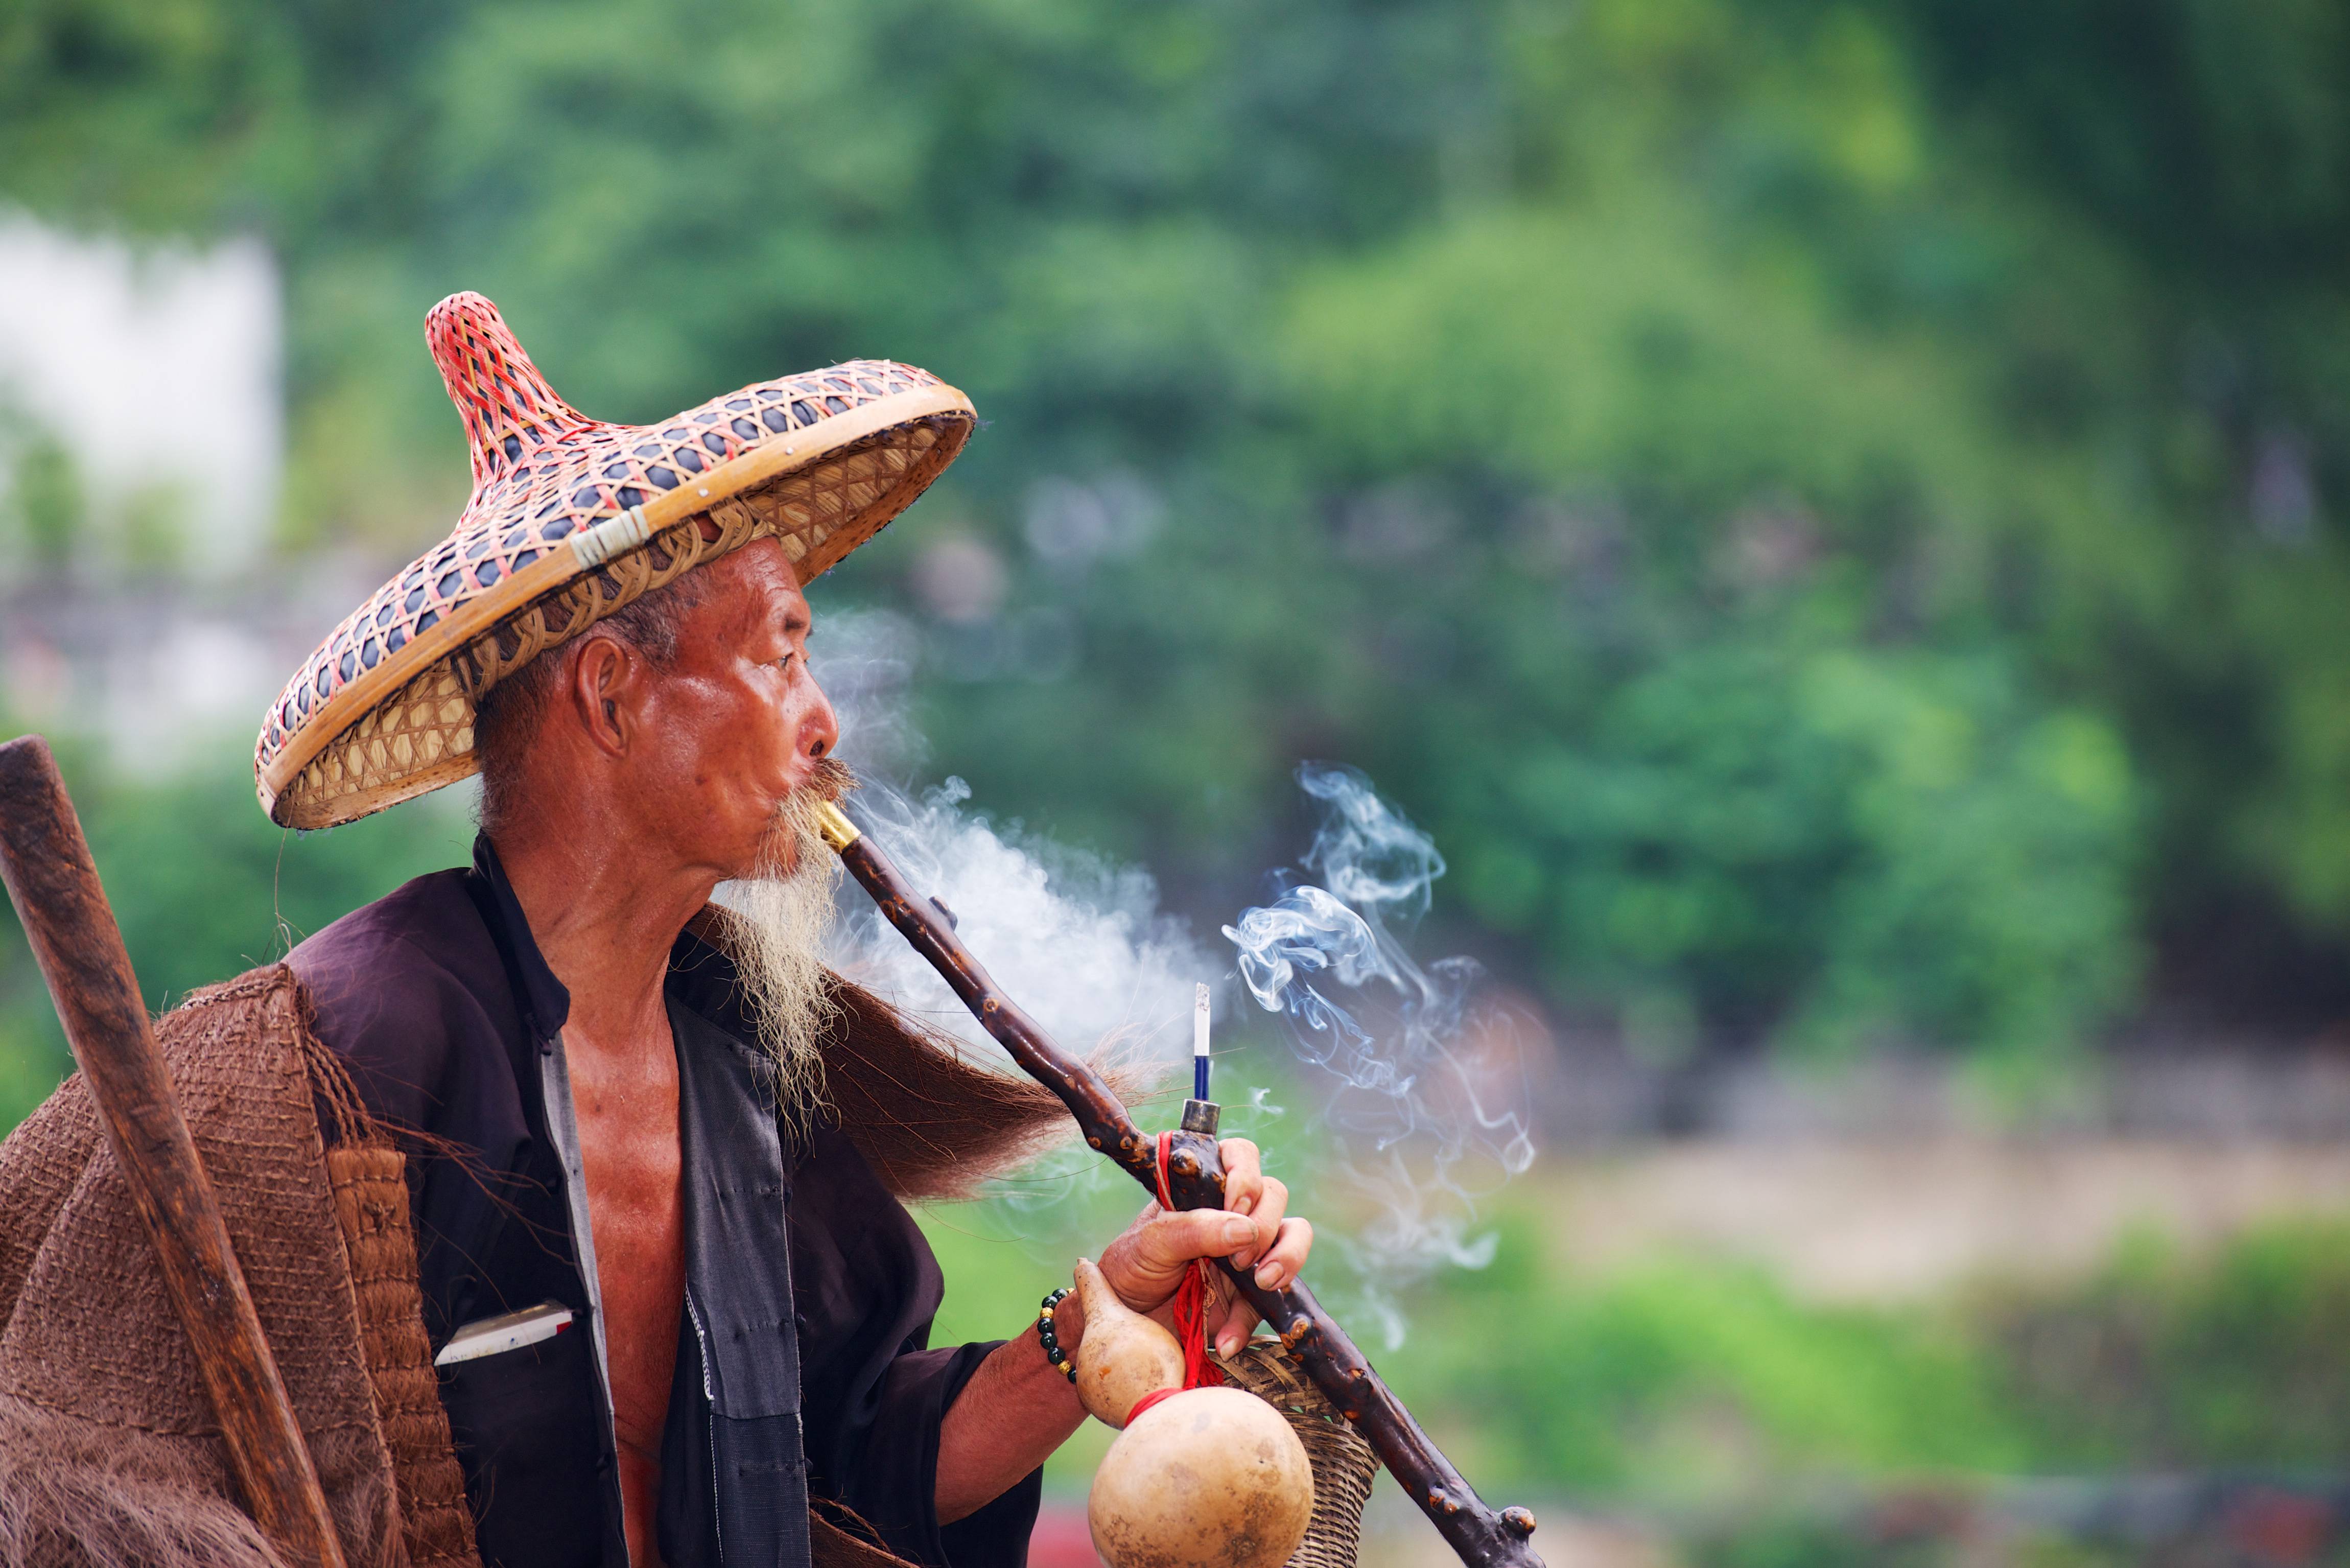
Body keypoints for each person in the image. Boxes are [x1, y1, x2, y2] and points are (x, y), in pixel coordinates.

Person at [253, 294, 1314, 1568]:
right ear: (610, 693)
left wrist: (1108, 1308)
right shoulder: (357, 1045)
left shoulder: (737, 1045)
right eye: (778, 654)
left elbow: (863, 1461)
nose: (822, 726)